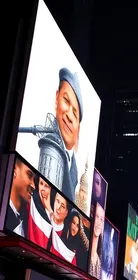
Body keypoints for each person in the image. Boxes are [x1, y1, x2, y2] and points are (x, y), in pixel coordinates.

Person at [54, 68, 82, 204]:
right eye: (66, 100)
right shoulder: (45, 141)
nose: (70, 116)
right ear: (56, 98)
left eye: (75, 114)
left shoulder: (75, 167)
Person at [7, 158, 35, 237]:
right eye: (29, 175)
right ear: (14, 171)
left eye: (34, 180)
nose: (33, 186)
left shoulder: (27, 219)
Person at [89, 203, 105, 278]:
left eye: (101, 219)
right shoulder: (84, 250)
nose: (98, 223)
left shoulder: (99, 261)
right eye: (97, 217)